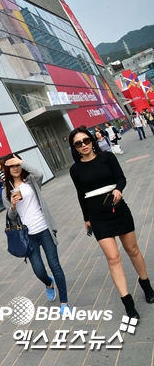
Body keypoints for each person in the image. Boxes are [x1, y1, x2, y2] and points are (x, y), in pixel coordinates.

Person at [68, 126, 154, 319]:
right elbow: (81, 195)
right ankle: (128, 303)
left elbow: (121, 178)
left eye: (86, 141)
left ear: (92, 141)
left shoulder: (107, 157)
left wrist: (118, 190)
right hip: (97, 216)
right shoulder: (75, 169)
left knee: (132, 250)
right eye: (78, 143)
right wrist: (86, 218)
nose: (83, 145)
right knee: (113, 257)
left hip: (118, 209)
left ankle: (146, 284)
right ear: (74, 147)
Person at [2, 153, 71, 314]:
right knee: (39, 270)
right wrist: (12, 206)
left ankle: (64, 303)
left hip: (44, 229)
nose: (15, 168)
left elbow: (38, 173)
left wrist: (21, 162)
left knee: (55, 265)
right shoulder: (6, 191)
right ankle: (48, 283)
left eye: (17, 164)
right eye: (11, 166)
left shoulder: (31, 181)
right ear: (7, 169)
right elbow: (10, 218)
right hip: (28, 236)